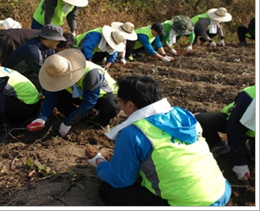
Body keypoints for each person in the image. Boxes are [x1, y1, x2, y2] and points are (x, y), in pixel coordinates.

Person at [85, 75, 231, 206]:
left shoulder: (133, 132)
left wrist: (99, 162)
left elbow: (120, 179)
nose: (119, 105)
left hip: (191, 204)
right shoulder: (182, 115)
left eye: (119, 101)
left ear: (130, 105)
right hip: (220, 191)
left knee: (108, 191)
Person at [26, 49, 120, 137]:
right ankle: (82, 117)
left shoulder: (91, 74)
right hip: (79, 94)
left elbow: (90, 101)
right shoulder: (57, 72)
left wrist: (68, 122)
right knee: (58, 97)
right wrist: (42, 117)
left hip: (102, 96)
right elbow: (51, 96)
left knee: (111, 106)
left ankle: (101, 123)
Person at [195, 85, 255, 181]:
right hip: (233, 121)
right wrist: (240, 163)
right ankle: (219, 146)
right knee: (202, 120)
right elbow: (235, 130)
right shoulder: (249, 96)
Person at [4, 24, 66, 90]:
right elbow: (42, 73)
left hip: (30, 71)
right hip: (15, 75)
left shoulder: (48, 47)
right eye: (58, 41)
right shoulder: (32, 50)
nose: (58, 43)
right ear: (50, 39)